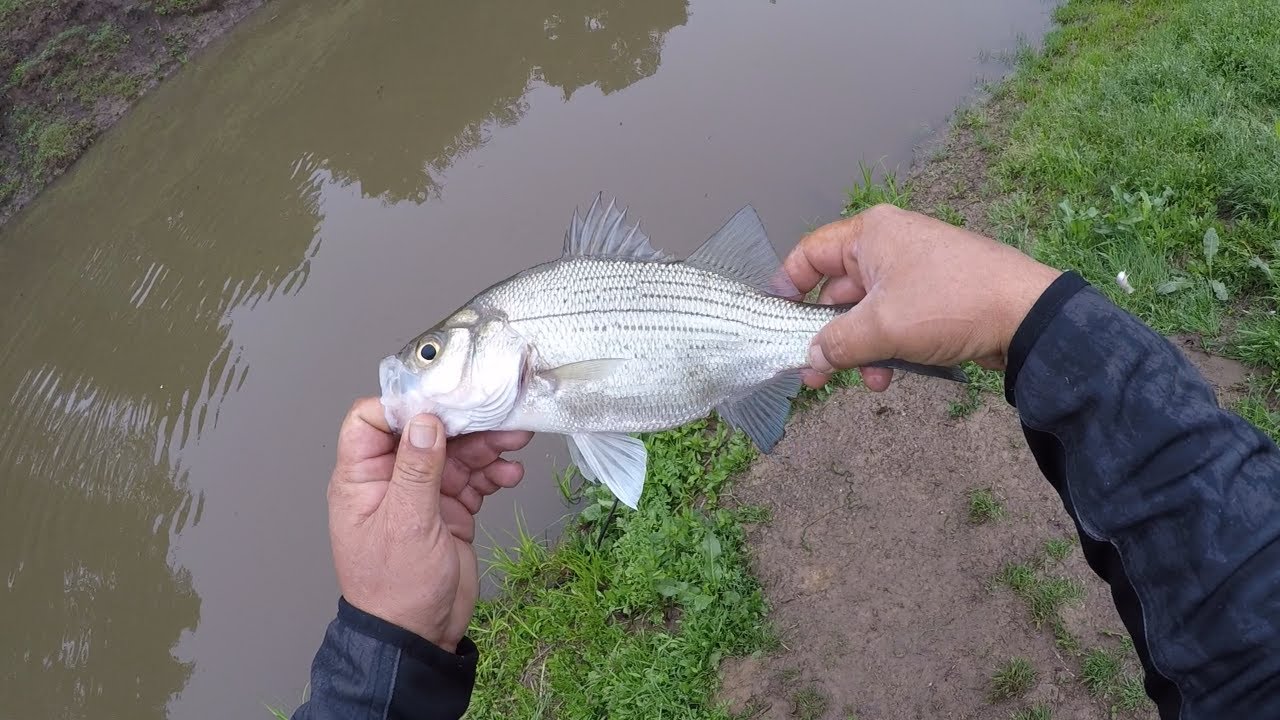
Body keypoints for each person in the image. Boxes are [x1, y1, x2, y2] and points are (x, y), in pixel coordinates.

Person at [290, 204, 1280, 719]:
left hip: (731, 338)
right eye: (425, 357)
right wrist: (1031, 324)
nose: (419, 374)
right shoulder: (529, 368)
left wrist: (381, 656)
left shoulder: (528, 349)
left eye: (432, 354)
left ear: (497, 346)